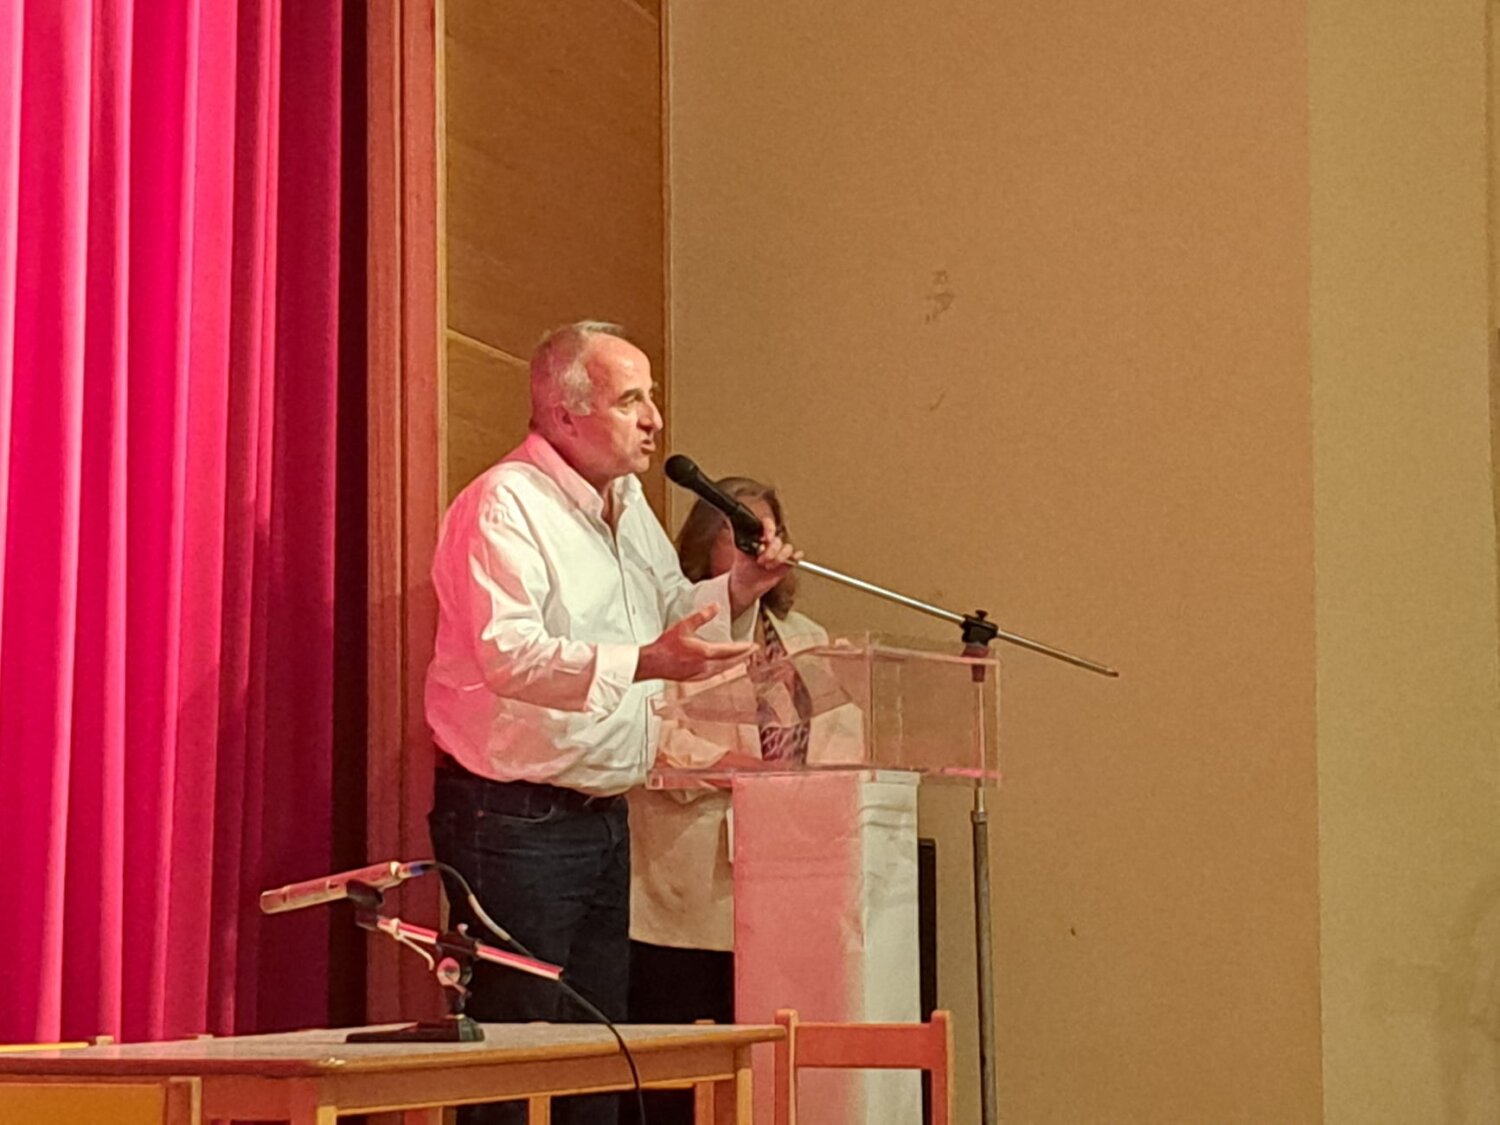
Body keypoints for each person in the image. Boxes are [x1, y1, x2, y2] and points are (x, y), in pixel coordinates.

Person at [424, 322, 797, 1125]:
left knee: (599, 1058)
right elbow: (509, 654)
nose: (654, 419)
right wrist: (645, 661)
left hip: (602, 816)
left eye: (649, 397)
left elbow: (670, 609)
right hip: (513, 818)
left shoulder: (626, 504)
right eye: (632, 400)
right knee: (514, 1062)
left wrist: (739, 587)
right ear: (565, 414)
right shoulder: (504, 505)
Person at [625, 478, 863, 1125]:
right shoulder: (672, 633)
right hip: (691, 887)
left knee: (766, 1071)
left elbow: (842, 737)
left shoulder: (806, 636)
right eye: (742, 533)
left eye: (769, 533)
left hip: (789, 881)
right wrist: (729, 768)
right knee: (683, 1074)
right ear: (705, 543)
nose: (761, 546)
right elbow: (645, 736)